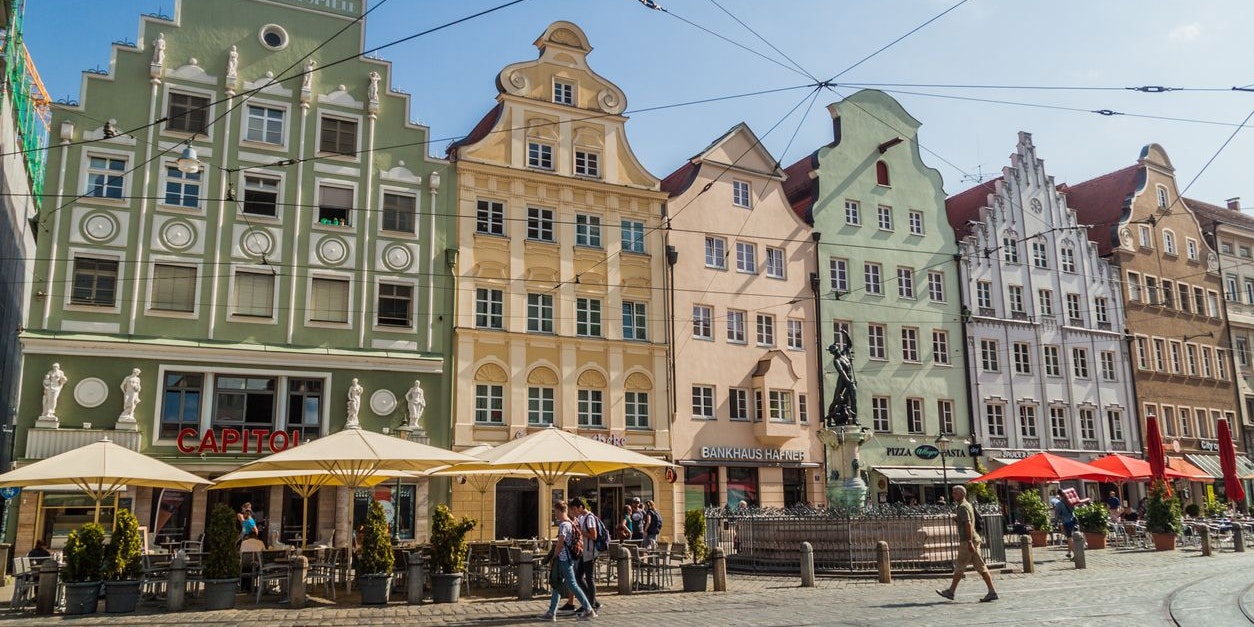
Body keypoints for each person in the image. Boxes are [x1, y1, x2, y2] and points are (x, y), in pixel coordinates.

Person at [936, 485, 998, 603]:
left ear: (962, 494)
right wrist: (957, 519)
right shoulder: (967, 505)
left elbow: (968, 524)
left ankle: (951, 591)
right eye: (953, 493)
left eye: (955, 493)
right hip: (974, 539)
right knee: (981, 567)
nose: (953, 495)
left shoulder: (963, 507)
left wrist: (969, 542)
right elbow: (967, 522)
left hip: (967, 541)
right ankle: (992, 591)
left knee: (960, 566)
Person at [539, 501, 596, 621]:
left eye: (555, 512)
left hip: (564, 559)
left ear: (560, 511)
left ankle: (588, 609)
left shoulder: (564, 525)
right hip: (566, 558)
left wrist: (554, 556)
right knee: (557, 584)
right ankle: (551, 612)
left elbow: (560, 543)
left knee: (572, 585)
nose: (555, 514)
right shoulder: (571, 523)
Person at [568, 498, 602, 616]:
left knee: (589, 578)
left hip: (590, 552)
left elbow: (594, 536)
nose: (574, 511)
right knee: (578, 577)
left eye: (575, 509)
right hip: (584, 552)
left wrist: (580, 532)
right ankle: (591, 602)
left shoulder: (589, 518)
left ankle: (591, 606)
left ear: (581, 507)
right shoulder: (582, 518)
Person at [1055, 491, 1076, 559]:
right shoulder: (1070, 501)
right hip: (1073, 520)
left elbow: (1057, 515)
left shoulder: (1059, 504)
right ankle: (1069, 553)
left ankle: (1076, 554)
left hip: (1066, 522)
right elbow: (1074, 509)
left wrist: (1055, 522)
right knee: (1071, 537)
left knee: (1069, 538)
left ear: (1059, 495)